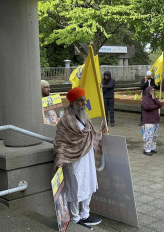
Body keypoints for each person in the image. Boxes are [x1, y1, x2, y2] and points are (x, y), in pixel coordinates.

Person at [53, 87, 103, 227]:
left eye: (84, 100)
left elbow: (91, 134)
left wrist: (102, 131)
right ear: (73, 102)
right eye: (80, 101)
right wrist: (60, 158)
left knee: (89, 184)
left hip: (87, 158)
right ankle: (75, 218)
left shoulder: (85, 117)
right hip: (73, 160)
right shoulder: (65, 121)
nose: (83, 103)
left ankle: (85, 215)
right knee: (75, 188)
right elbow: (60, 142)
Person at [141, 86, 162, 156]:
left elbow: (160, 105)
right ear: (148, 91)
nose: (152, 92)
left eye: (153, 90)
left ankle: (152, 148)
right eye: (151, 90)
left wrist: (154, 99)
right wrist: (155, 106)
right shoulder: (144, 98)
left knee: (154, 135)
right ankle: (147, 149)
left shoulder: (154, 99)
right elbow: (147, 107)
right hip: (148, 120)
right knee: (148, 135)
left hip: (155, 120)